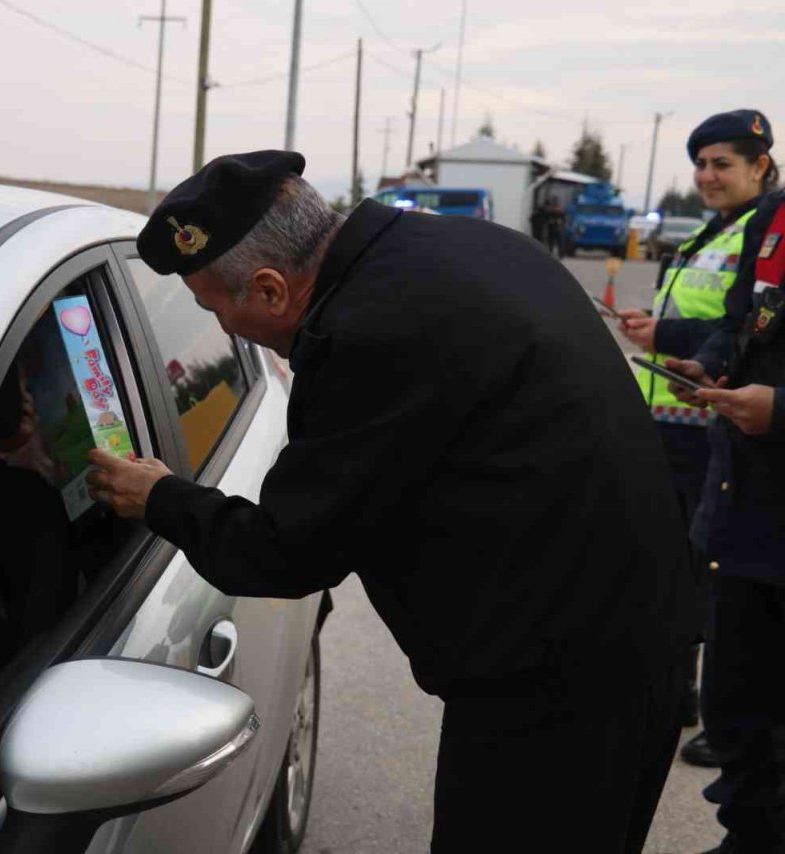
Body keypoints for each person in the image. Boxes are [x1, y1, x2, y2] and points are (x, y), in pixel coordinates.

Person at [85, 150, 698, 852]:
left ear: (271, 289)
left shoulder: (369, 335)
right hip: (627, 635)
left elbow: (285, 551)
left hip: (561, 693)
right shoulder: (458, 248)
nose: (223, 330)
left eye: (214, 307)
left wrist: (160, 497)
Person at [615, 110, 776, 765]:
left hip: (718, 427)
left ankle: (722, 710)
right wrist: (660, 331)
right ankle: (679, 694)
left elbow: (748, 328)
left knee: (713, 574)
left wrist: (667, 335)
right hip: (675, 413)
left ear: (761, 166)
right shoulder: (717, 228)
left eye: (721, 164)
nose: (706, 176)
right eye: (701, 165)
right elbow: (716, 320)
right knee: (671, 564)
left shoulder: (763, 233)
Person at [666, 178, 785, 853]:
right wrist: (709, 365)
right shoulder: (776, 217)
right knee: (737, 705)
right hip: (745, 503)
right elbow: (744, 320)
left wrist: (781, 410)